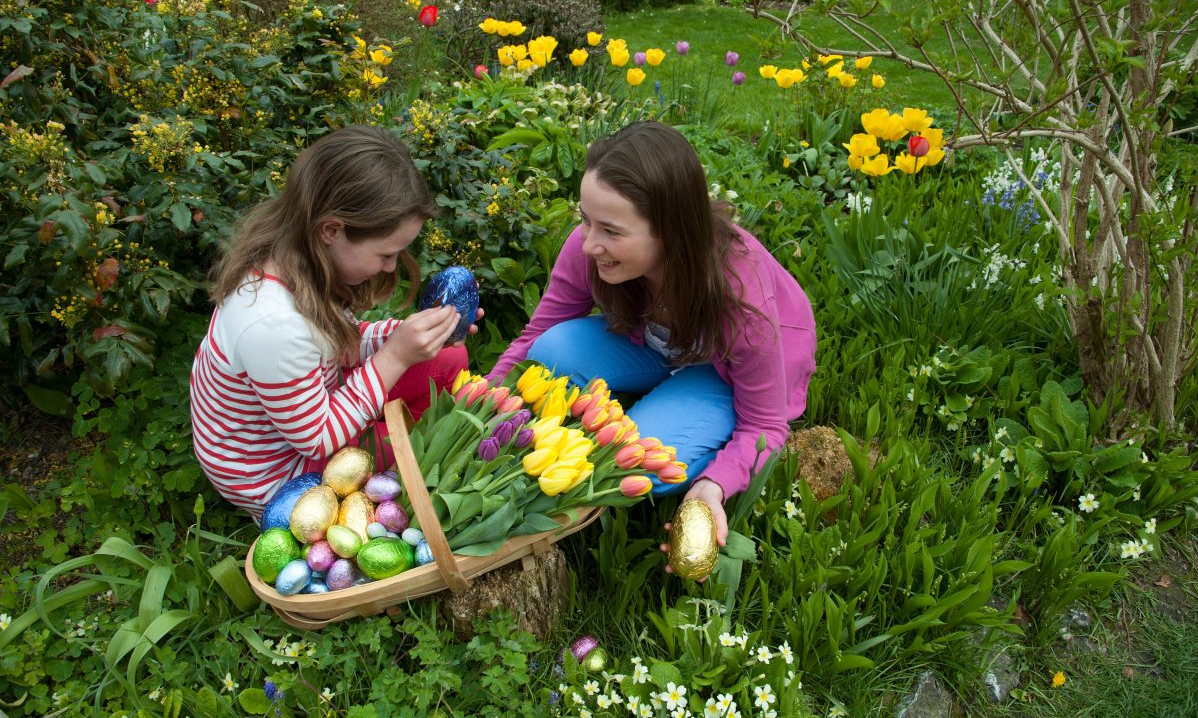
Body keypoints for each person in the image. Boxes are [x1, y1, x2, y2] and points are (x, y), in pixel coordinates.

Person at [488, 121, 816, 556]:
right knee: (547, 353)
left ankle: (690, 410)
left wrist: (713, 487)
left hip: (725, 373)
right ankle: (666, 392)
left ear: (671, 230)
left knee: (642, 461)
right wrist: (484, 406)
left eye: (611, 231)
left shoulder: (741, 301)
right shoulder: (591, 250)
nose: (588, 244)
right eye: (586, 221)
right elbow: (535, 334)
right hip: (657, 344)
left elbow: (766, 426)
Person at [190, 125, 477, 519]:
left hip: (306, 416)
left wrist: (410, 337)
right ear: (331, 230)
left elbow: (340, 345)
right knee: (431, 440)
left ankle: (388, 441)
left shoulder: (303, 266)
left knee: (446, 361)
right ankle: (368, 501)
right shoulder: (273, 323)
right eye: (385, 254)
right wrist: (394, 356)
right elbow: (317, 440)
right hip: (278, 474)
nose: (391, 266)